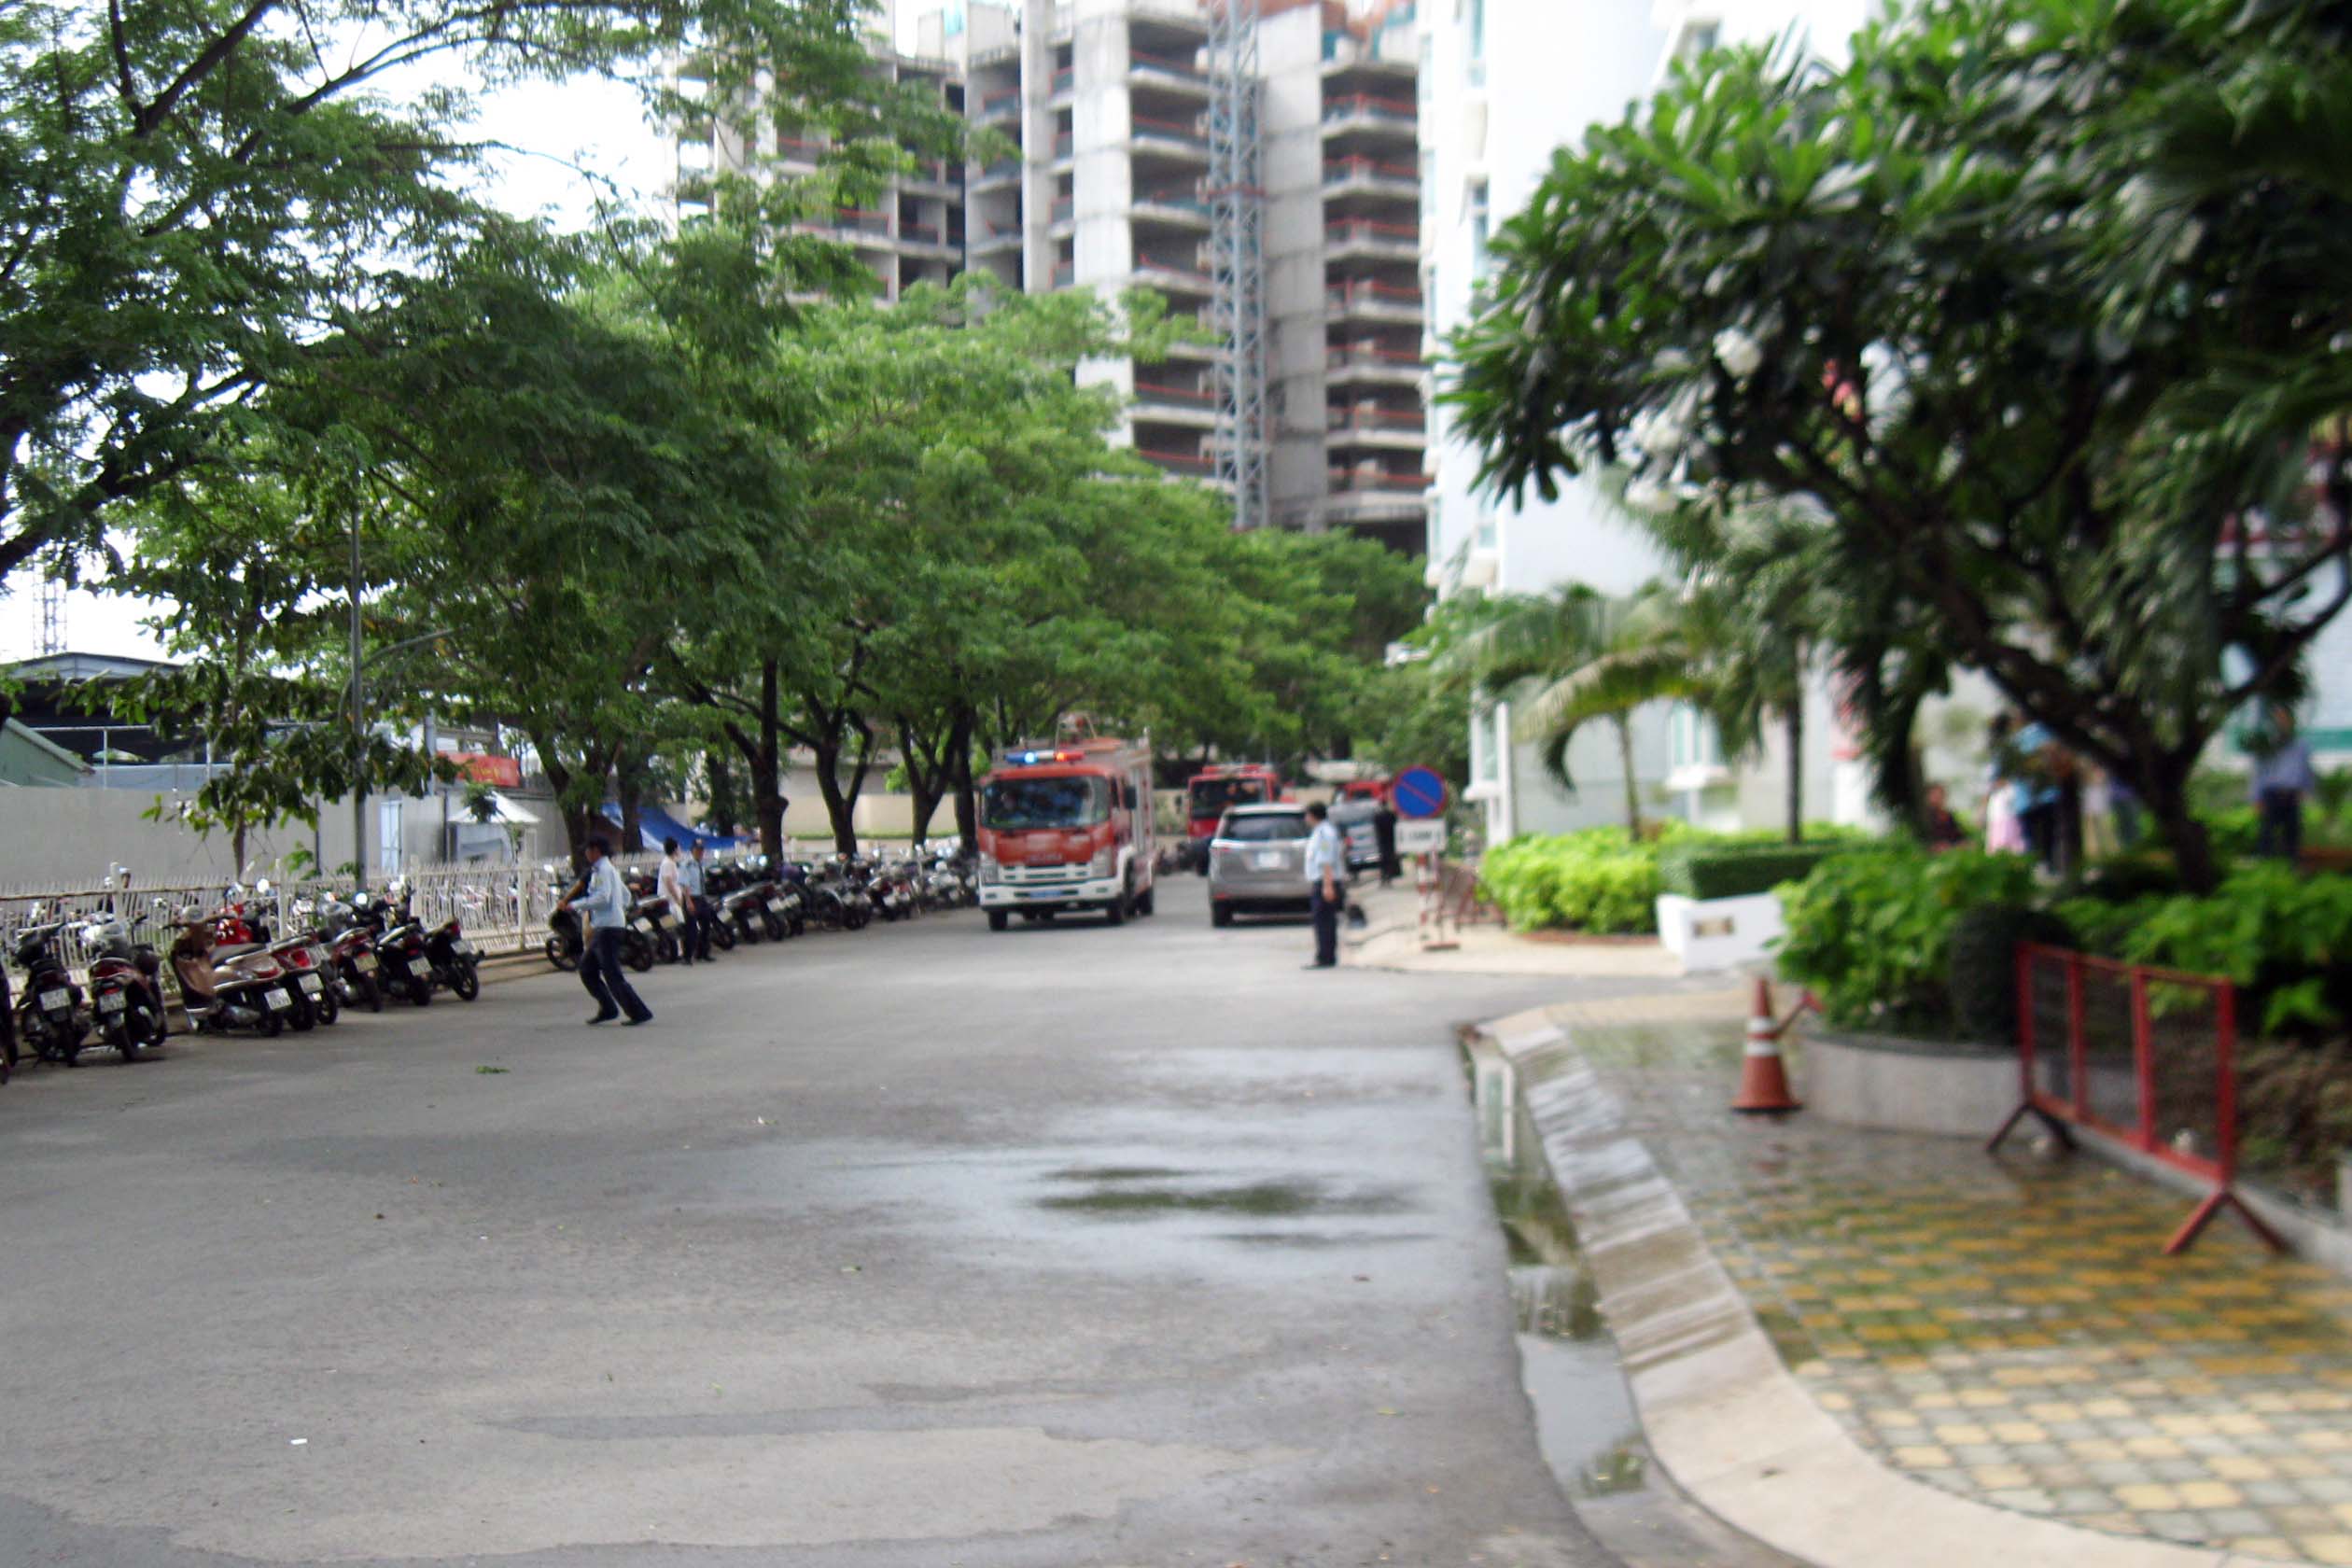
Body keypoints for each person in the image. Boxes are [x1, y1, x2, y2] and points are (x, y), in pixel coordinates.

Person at [560, 836, 651, 1026]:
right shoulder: (606, 869)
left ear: (596, 851)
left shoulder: (603, 870)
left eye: (588, 850)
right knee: (587, 969)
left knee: (612, 974)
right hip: (605, 926)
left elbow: (602, 897)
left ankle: (638, 1012)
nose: (586, 854)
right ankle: (608, 1008)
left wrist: (575, 905)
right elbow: (625, 895)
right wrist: (618, 910)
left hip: (608, 928)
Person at [2250, 702, 2316, 861]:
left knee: (2293, 833)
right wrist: (2256, 798)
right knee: (2267, 833)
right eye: (2278, 719)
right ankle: (2265, 865)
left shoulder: (2300, 746)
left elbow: (2306, 770)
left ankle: (2291, 867)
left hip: (2292, 795)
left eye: (2285, 718)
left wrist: (2306, 790)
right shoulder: (2268, 745)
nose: (2281, 722)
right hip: (2271, 794)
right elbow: (2258, 773)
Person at [1302, 801, 1344, 971]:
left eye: (1307, 815)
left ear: (1313, 815)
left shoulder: (1324, 834)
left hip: (1325, 881)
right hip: (1322, 881)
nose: (1305, 818)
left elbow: (1326, 861)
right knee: (1323, 920)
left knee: (1324, 920)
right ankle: (1326, 955)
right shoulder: (1320, 832)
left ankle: (1325, 956)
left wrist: (1327, 886)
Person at [1982, 714, 2027, 854]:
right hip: (2007, 797)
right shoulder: (2008, 747)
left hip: (2004, 798)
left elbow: (1993, 780)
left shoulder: (2001, 748)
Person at [656, 837, 698, 966]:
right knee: (677, 925)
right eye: (679, 847)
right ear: (675, 849)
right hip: (670, 900)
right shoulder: (667, 863)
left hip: (675, 899)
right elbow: (668, 882)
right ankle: (679, 951)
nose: (680, 850)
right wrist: (677, 898)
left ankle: (681, 951)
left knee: (680, 925)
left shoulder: (672, 862)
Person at [682, 840, 716, 962]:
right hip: (692, 898)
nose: (700, 853)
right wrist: (688, 901)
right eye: (698, 850)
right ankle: (687, 956)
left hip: (701, 898)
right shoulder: (687, 865)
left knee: (706, 925)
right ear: (692, 851)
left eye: (702, 850)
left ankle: (703, 953)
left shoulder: (701, 864)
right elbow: (685, 884)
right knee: (691, 929)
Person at [1922, 782, 1968, 849]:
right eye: (1935, 795)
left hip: (1951, 846)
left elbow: (1959, 834)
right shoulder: (1925, 816)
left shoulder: (1948, 816)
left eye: (1940, 795)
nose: (1938, 798)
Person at [1373, 795, 1401, 886]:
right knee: (1389, 860)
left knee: (1383, 860)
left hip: (1382, 841)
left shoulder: (1377, 816)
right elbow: (1396, 826)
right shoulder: (1391, 815)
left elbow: (1376, 829)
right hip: (1390, 840)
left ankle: (1384, 878)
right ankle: (1388, 877)